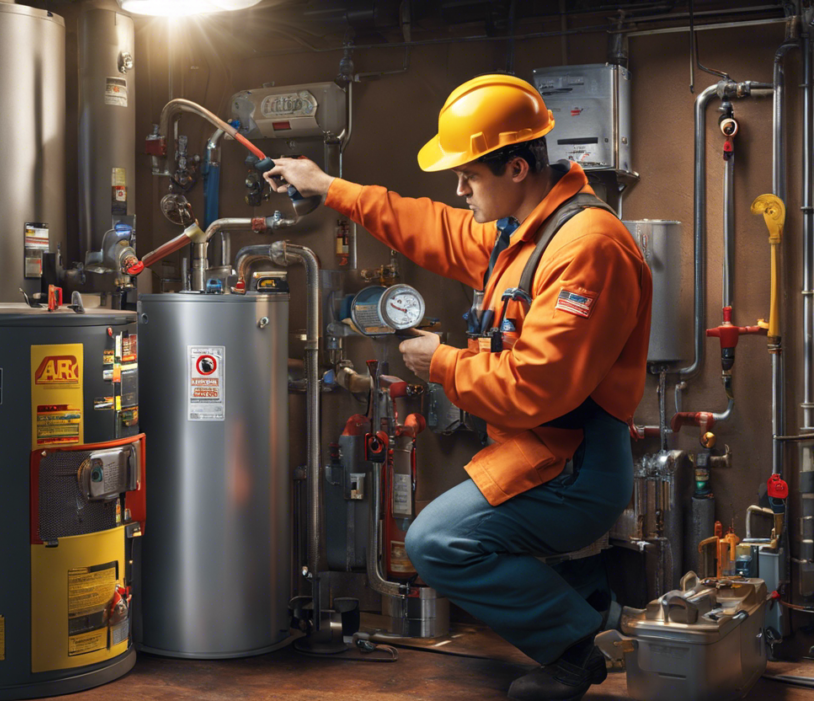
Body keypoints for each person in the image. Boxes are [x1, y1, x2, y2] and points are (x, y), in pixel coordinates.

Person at [263, 74, 651, 701]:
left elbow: (536, 390)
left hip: (574, 464)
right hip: (539, 450)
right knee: (444, 536)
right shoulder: (522, 233)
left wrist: (441, 362)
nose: (459, 188)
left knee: (436, 543)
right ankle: (590, 587)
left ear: (518, 167)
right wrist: (328, 186)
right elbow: (429, 226)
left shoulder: (586, 248)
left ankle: (576, 647)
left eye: (469, 175)